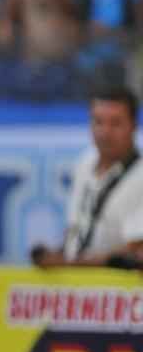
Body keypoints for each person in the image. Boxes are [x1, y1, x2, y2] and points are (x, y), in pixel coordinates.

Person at [33, 86, 143, 269]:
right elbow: (78, 228)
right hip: (75, 288)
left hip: (117, 292)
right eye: (98, 122)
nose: (105, 133)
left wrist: (68, 264)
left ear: (133, 126)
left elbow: (136, 252)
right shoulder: (85, 163)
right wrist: (57, 254)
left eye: (115, 123)